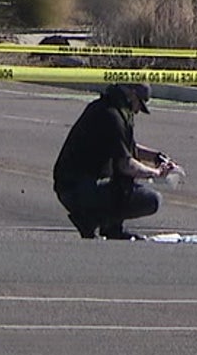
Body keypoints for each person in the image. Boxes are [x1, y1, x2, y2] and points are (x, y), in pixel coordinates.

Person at [52, 82, 178, 240]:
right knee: (151, 199)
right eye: (139, 104)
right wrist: (156, 173)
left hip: (73, 186)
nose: (137, 111)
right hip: (78, 189)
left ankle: (110, 227)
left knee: (123, 181)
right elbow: (126, 164)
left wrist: (156, 157)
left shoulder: (106, 108)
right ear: (131, 95)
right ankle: (91, 219)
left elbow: (128, 147)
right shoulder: (112, 116)